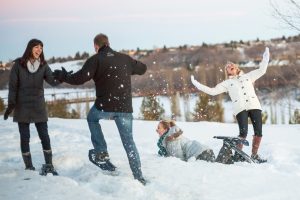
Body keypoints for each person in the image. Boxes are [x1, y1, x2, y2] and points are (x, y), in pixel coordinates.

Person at [53, 33, 147, 184]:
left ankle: (101, 151)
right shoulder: (124, 58)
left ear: (96, 46)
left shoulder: (95, 59)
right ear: (108, 43)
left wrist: (64, 76)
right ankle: (139, 176)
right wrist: (132, 63)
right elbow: (142, 69)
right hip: (124, 107)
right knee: (129, 142)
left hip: (105, 106)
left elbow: (79, 78)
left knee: (92, 118)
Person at [191, 47, 270, 163]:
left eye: (231, 65)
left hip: (254, 105)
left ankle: (254, 155)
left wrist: (265, 59)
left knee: (258, 132)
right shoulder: (227, 83)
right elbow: (212, 91)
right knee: (243, 133)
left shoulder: (248, 76)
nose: (229, 66)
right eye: (227, 67)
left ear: (236, 67)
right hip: (240, 109)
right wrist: (198, 85)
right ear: (227, 72)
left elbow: (262, 70)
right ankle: (238, 155)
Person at [4, 39, 59, 173]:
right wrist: (11, 105)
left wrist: (63, 76)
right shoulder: (18, 65)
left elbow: (52, 81)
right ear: (30, 48)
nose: (39, 50)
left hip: (38, 105)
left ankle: (49, 164)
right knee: (25, 137)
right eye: (36, 47)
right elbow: (13, 87)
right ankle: (28, 166)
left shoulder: (43, 65)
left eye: (41, 48)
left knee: (44, 135)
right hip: (22, 106)